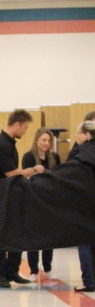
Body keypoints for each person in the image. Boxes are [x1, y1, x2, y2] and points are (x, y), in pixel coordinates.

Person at [0, 109, 38, 288]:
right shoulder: (2, 145)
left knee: (16, 232)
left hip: (8, 195)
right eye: (24, 128)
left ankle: (12, 271)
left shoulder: (8, 143)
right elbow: (10, 173)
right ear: (16, 124)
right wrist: (30, 171)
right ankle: (0, 274)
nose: (25, 132)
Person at [21, 127, 60, 282]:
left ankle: (48, 268)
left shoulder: (54, 157)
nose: (46, 143)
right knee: (34, 236)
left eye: (49, 141)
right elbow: (25, 177)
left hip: (49, 201)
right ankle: (33, 270)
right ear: (37, 140)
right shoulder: (29, 157)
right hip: (33, 200)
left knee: (49, 236)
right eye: (43, 140)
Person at [68, 118, 95, 291]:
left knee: (85, 243)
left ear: (85, 134)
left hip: (84, 203)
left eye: (78, 133)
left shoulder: (79, 152)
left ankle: (89, 281)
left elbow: (68, 172)